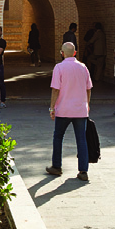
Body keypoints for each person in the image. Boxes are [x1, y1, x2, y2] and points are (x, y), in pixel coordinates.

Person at [47, 42, 92, 181]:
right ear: (75, 53)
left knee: (58, 137)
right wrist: (87, 104)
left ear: (62, 53)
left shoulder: (59, 67)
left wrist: (52, 107)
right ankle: (83, 171)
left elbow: (55, 89)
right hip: (80, 109)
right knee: (81, 139)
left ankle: (57, 166)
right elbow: (88, 88)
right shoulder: (83, 67)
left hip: (64, 109)